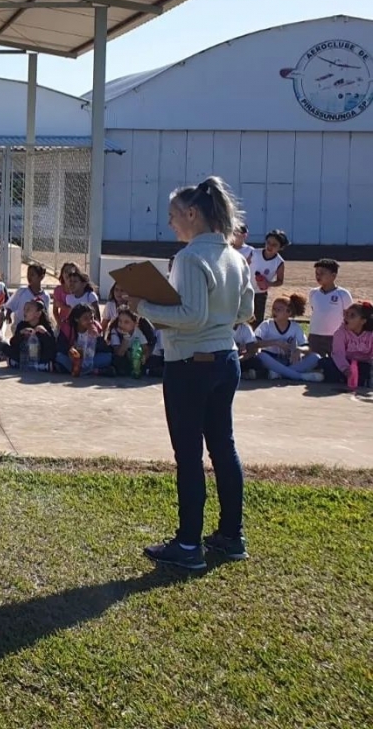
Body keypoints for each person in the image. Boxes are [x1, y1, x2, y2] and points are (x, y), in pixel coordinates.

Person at [134, 177, 255, 569]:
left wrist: (144, 306)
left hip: (190, 364)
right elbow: (244, 313)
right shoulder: (236, 255)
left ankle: (188, 546)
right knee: (223, 446)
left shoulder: (189, 257)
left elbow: (190, 315)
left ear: (191, 214)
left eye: (172, 216)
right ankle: (230, 536)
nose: (169, 224)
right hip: (226, 359)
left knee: (188, 455)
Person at [252, 294, 321, 382]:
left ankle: (278, 373)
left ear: (289, 312)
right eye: (274, 309)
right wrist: (275, 342)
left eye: (279, 309)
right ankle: (300, 376)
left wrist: (299, 349)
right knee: (260, 355)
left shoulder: (295, 326)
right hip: (271, 359)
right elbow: (255, 343)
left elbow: (307, 347)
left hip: (288, 360)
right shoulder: (266, 324)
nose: (274, 312)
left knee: (315, 357)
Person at [307, 259, 352, 358]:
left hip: (335, 336)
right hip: (315, 335)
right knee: (314, 362)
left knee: (336, 362)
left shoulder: (343, 294)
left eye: (322, 273)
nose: (318, 276)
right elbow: (314, 310)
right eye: (317, 273)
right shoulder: (313, 293)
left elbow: (349, 316)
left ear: (333, 275)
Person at [322, 302, 373, 387]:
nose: (346, 317)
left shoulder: (370, 334)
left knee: (365, 371)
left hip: (364, 364)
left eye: (352, 315)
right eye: (346, 313)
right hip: (344, 364)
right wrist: (345, 369)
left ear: (363, 321)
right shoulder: (340, 333)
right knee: (327, 363)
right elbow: (338, 353)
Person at [55, 305, 112, 376]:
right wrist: (70, 352)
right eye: (86, 318)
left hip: (91, 359)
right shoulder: (68, 328)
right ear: (76, 319)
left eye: (92, 318)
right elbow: (60, 346)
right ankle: (93, 371)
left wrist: (98, 337)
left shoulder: (96, 327)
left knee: (108, 357)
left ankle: (79, 371)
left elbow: (104, 349)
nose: (90, 321)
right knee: (59, 357)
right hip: (73, 360)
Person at [250, 230, 288, 324]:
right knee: (241, 317)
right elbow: (242, 266)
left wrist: (268, 283)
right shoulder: (254, 253)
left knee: (257, 320)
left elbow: (280, 281)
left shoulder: (279, 262)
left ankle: (256, 337)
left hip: (260, 293)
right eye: (268, 243)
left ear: (281, 247)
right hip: (245, 290)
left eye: (274, 245)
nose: (270, 246)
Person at [7, 299, 57, 369]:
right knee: (4, 346)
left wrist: (45, 333)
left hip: (40, 356)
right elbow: (13, 343)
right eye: (24, 309)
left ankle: (40, 365)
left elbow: (52, 345)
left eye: (28, 310)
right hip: (24, 355)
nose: (25, 312)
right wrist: (21, 333)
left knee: (54, 354)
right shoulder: (21, 325)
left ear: (38, 314)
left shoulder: (46, 325)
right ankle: (41, 367)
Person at [107, 307, 151, 377]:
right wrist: (126, 338)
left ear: (135, 324)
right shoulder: (115, 331)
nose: (122, 325)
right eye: (120, 321)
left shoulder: (137, 332)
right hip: (121, 358)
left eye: (126, 322)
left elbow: (146, 348)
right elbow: (119, 353)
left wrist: (144, 357)